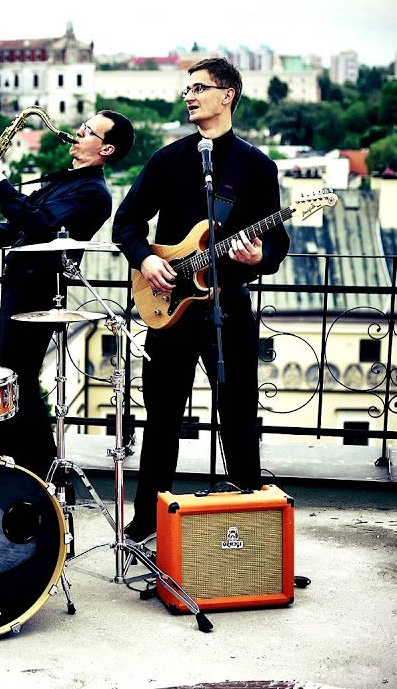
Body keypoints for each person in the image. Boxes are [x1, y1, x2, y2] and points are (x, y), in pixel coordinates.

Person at [112, 57, 291, 543]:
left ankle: (250, 517)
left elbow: (277, 241)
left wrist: (259, 256)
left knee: (239, 414)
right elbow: (126, 223)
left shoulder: (256, 165)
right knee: (162, 418)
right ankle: (147, 520)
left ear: (227, 95)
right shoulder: (168, 159)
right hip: (168, 308)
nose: (189, 96)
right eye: (186, 90)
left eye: (199, 88)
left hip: (228, 307)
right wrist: (145, 260)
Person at [0, 110, 135, 481]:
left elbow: (37, 224)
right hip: (20, 288)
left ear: (106, 149)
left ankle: (43, 472)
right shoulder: (65, 181)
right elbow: (17, 229)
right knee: (13, 377)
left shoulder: (93, 193)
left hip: (39, 292)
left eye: (88, 130)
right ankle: (14, 466)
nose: (78, 132)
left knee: (19, 380)